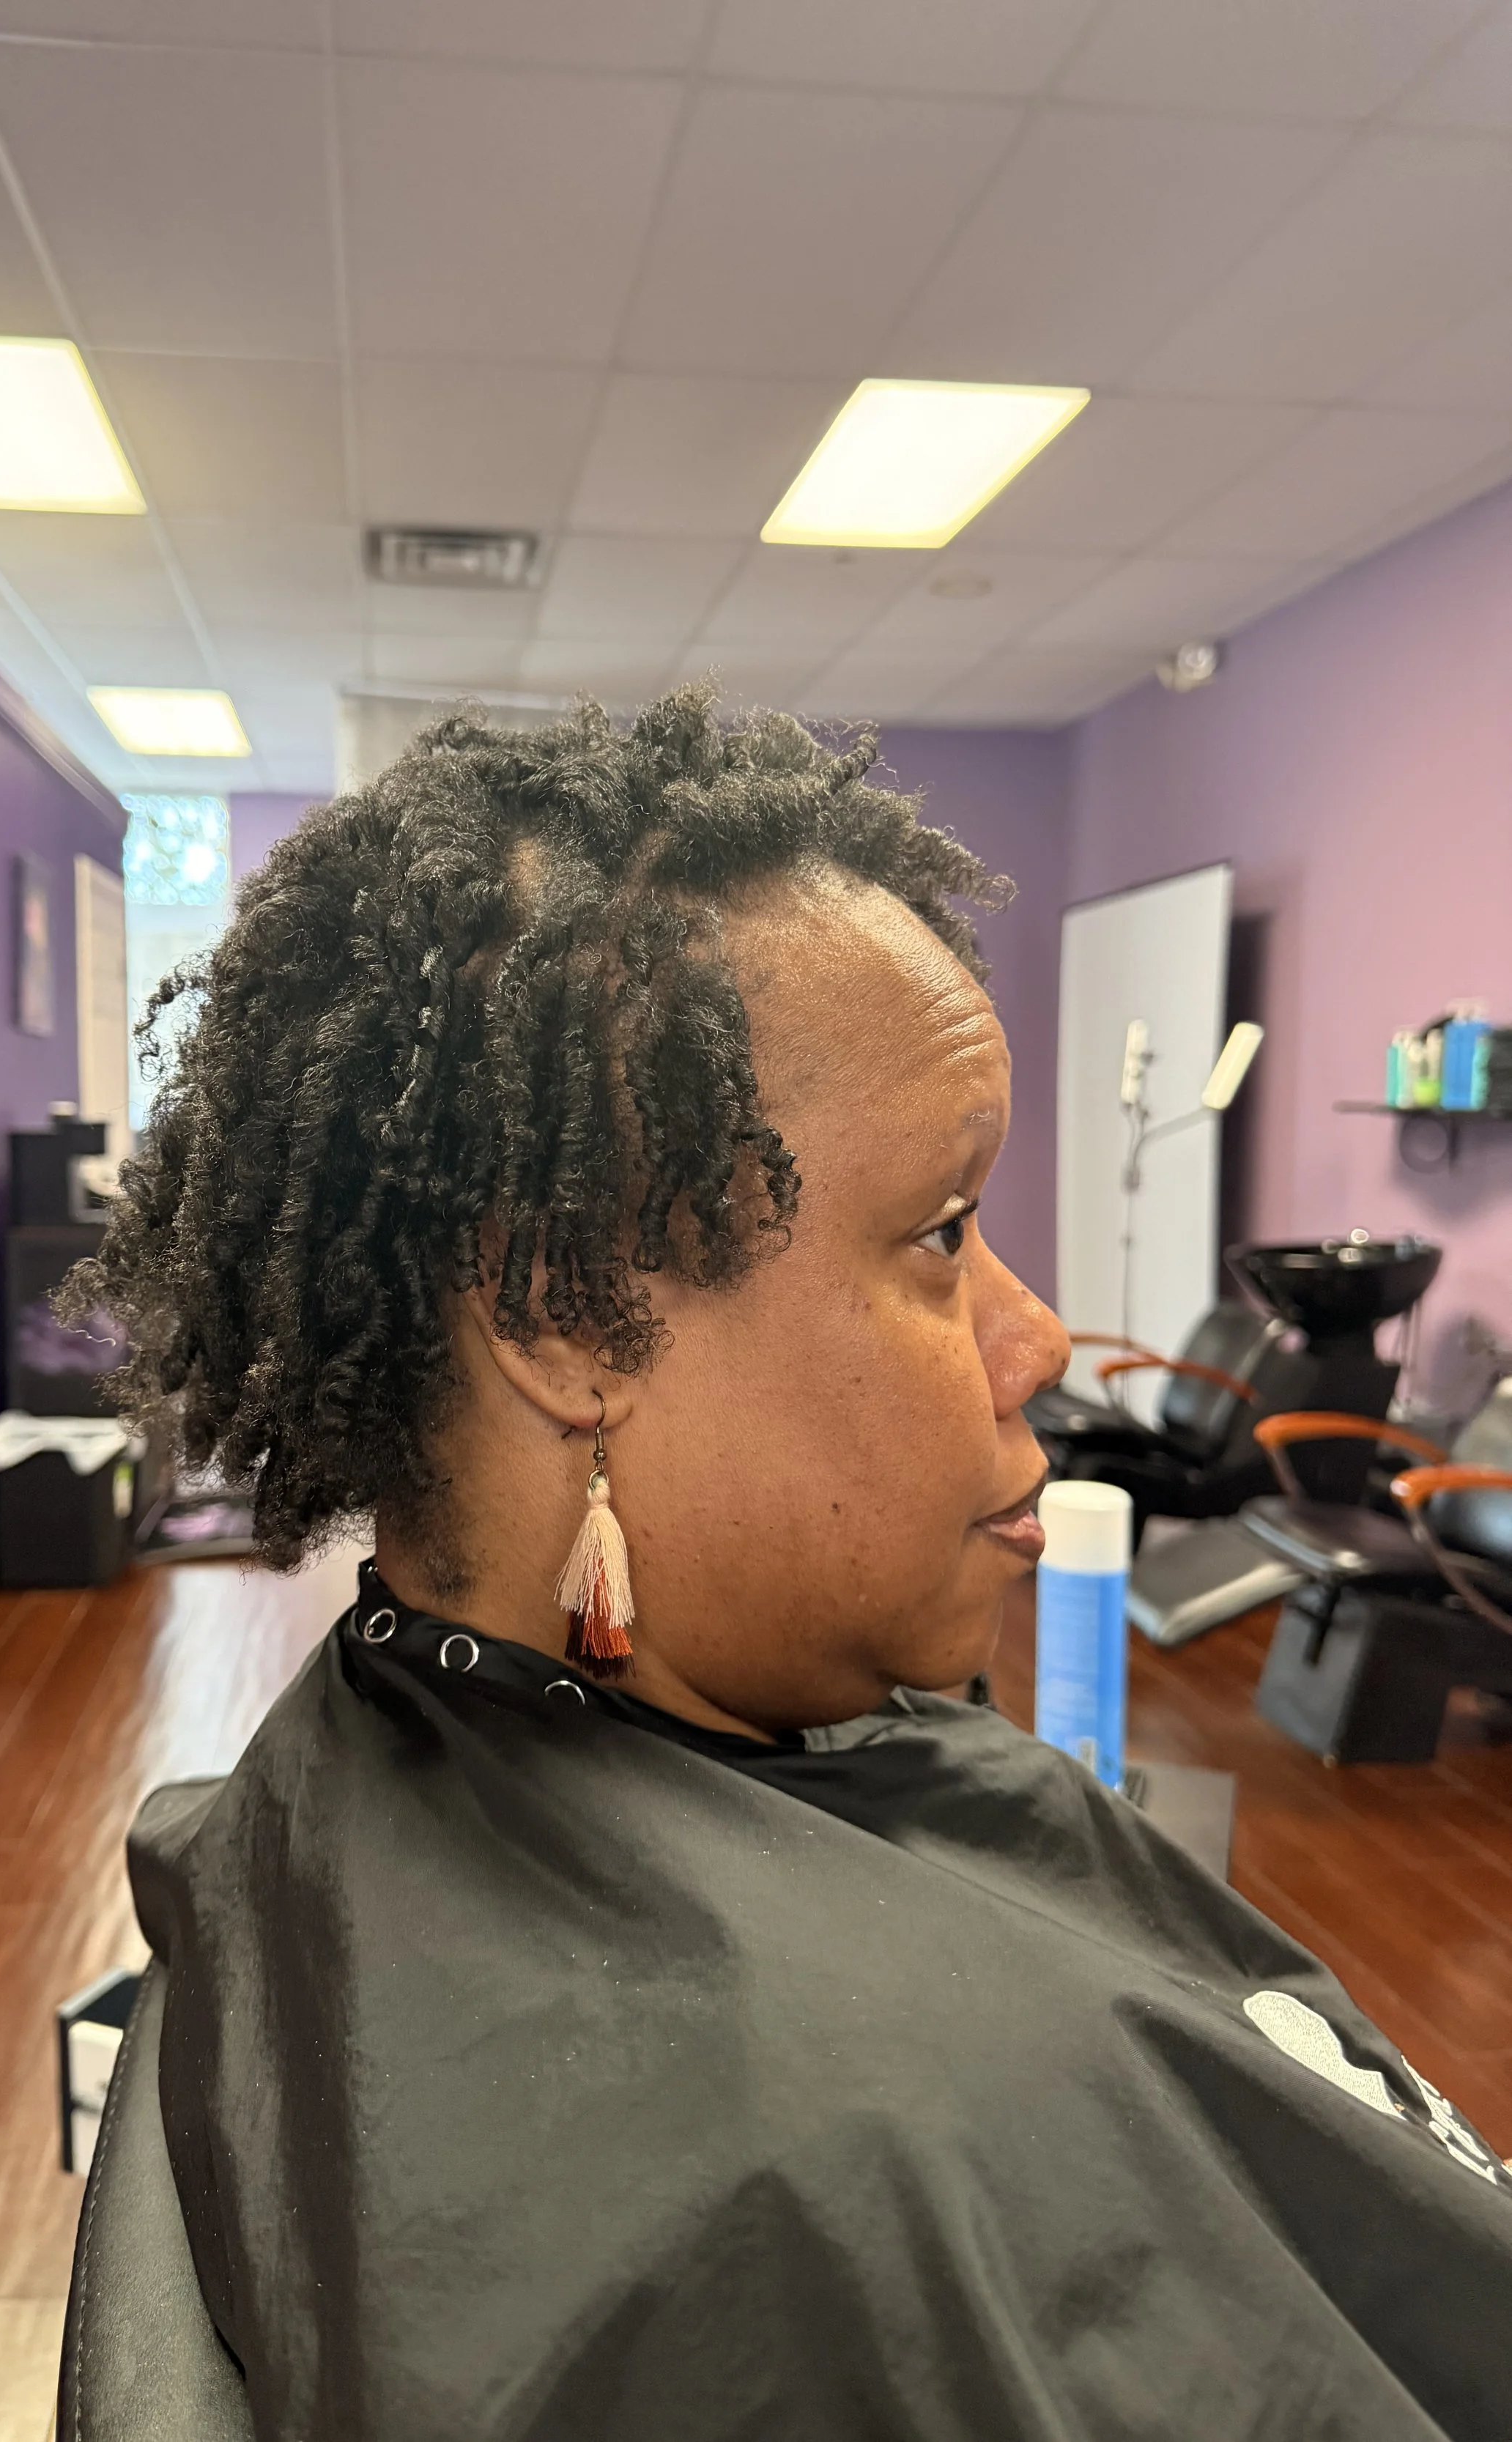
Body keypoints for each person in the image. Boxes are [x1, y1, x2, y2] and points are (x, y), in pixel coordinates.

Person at [73, 689, 1511, 2441]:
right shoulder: (820, 2166)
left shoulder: (362, 1771)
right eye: (940, 1231)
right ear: (560, 1313)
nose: (1037, 1335)